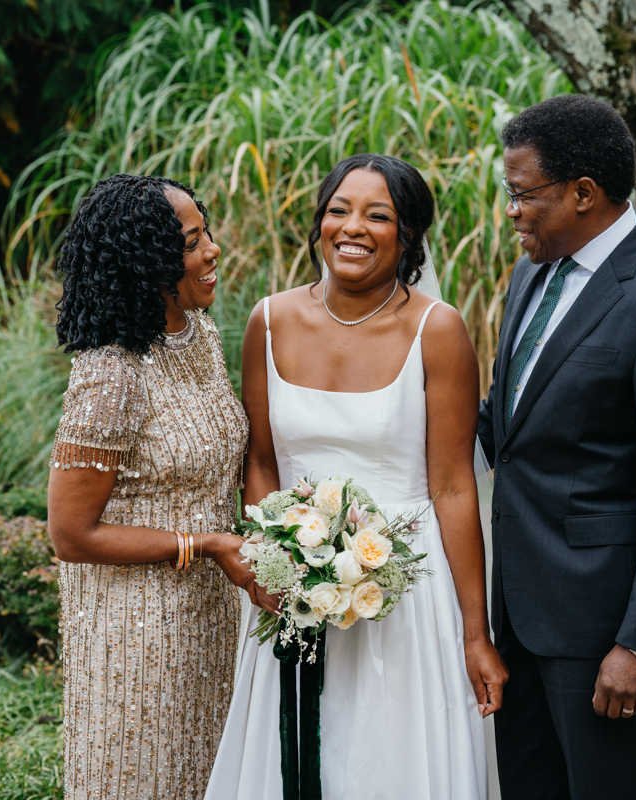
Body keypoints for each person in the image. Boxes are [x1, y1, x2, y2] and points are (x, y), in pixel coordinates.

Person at [205, 154, 507, 799]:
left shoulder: (438, 330)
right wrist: (272, 565)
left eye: (378, 216)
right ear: (319, 222)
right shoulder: (269, 320)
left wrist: (475, 633)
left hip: (407, 596)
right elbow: (261, 463)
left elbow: (454, 487)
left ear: (408, 234)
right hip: (292, 592)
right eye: (338, 210)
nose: (352, 228)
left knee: (391, 762)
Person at [478, 95, 636, 799]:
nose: (511, 212)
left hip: (601, 634)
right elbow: (505, 428)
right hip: (517, 619)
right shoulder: (532, 275)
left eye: (523, 194)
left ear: (583, 193)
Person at [47, 174, 266, 800]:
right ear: (146, 262)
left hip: (209, 616)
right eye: (192, 243)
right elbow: (71, 534)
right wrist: (208, 545)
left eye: (206, 233)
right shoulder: (110, 373)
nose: (213, 250)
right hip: (136, 633)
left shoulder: (199, 336)